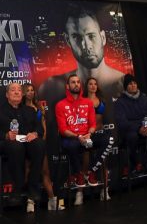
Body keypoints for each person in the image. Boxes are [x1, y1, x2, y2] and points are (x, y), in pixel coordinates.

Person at [38, 5, 125, 108]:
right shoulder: (52, 87)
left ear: (103, 37)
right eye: (77, 37)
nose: (86, 46)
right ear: (68, 41)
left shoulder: (123, 83)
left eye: (91, 36)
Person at [0, 83, 45, 210]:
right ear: (7, 95)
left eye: (19, 90)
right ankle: (17, 188)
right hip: (8, 144)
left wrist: (35, 133)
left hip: (27, 142)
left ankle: (32, 187)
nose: (17, 92)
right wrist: (6, 135)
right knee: (16, 147)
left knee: (40, 144)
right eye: (13, 90)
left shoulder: (30, 111)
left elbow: (39, 128)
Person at [56, 75, 110, 205]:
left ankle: (91, 170)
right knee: (73, 146)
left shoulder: (87, 102)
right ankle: (78, 174)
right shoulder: (60, 105)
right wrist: (77, 136)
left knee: (108, 139)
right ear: (67, 86)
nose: (76, 84)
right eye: (73, 82)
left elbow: (92, 124)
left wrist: (89, 134)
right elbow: (63, 129)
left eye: (78, 82)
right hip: (71, 138)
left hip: (87, 136)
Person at [114, 74, 147, 176]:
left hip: (146, 127)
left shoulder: (144, 98)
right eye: (130, 84)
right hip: (132, 131)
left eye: (134, 83)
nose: (133, 85)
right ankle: (137, 162)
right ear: (125, 87)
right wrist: (138, 128)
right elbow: (122, 122)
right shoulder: (120, 102)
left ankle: (144, 162)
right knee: (131, 137)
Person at [23, 83, 58, 211]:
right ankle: (30, 202)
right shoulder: (20, 109)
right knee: (28, 172)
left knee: (45, 172)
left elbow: (43, 128)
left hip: (40, 144)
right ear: (23, 93)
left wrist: (42, 143)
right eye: (27, 90)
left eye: (32, 90)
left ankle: (52, 202)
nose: (30, 92)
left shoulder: (39, 107)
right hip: (26, 145)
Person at [85, 77, 114, 202]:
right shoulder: (82, 101)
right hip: (88, 135)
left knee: (104, 161)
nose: (93, 86)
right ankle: (80, 193)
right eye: (90, 84)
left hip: (100, 133)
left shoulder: (101, 100)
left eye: (95, 84)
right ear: (86, 86)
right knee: (85, 160)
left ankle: (105, 190)